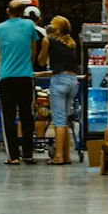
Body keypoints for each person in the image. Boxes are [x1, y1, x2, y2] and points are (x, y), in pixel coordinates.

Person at [0, 0, 40, 165]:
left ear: (7, 11)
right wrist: (28, 64)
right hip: (25, 76)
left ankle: (13, 156)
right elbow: (33, 48)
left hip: (6, 77)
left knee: (9, 117)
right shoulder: (29, 26)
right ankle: (28, 153)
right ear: (23, 12)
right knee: (27, 116)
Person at [38, 15, 78, 165]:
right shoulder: (72, 43)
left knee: (58, 121)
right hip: (72, 82)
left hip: (59, 83)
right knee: (66, 120)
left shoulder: (48, 40)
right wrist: (42, 74)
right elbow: (63, 67)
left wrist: (44, 45)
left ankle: (59, 156)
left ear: (56, 28)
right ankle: (66, 156)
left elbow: (42, 61)